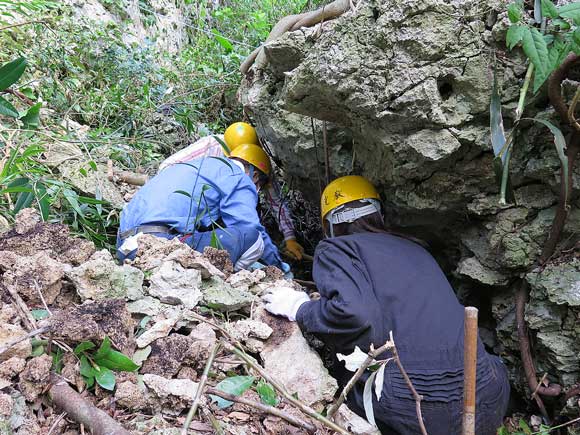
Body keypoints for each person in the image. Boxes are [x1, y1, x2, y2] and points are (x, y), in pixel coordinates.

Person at [262, 175, 510, 435]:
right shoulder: (418, 249)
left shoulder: (336, 248)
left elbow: (352, 313)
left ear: (329, 225)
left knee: (340, 369)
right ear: (379, 215)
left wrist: (300, 309)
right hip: (486, 398)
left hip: (412, 408)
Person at [117, 143, 288, 273]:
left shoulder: (200, 165)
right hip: (159, 246)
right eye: (258, 186)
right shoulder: (237, 176)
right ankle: (228, 279)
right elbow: (248, 226)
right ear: (255, 175)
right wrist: (279, 269)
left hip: (125, 247)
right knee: (253, 237)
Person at [158, 122, 305, 261]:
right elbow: (168, 167)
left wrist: (289, 237)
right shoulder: (211, 146)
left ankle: (244, 244)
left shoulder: (258, 160)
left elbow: (276, 201)